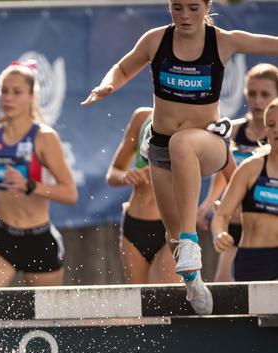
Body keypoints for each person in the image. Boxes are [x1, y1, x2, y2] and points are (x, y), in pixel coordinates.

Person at [81, 0, 278, 314]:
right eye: (178, 8)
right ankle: (192, 280)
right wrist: (107, 85)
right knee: (172, 234)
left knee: (183, 142)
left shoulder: (223, 41)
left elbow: (269, 44)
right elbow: (124, 67)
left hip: (208, 143)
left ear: (207, 6)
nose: (185, 15)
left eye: (193, 8)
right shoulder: (156, 40)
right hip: (160, 147)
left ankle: (190, 242)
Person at [0, 61, 78, 288]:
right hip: (2, 237)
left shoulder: (45, 138)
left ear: (31, 95)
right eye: (4, 91)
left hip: (39, 238)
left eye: (17, 92)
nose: (8, 98)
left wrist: (30, 186)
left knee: (46, 322)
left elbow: (70, 193)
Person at [197, 63, 278, 282]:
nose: (258, 101)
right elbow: (221, 173)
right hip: (237, 223)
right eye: (251, 94)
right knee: (226, 287)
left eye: (265, 94)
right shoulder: (235, 133)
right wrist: (209, 205)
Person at [106, 107, 181, 284]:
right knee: (137, 304)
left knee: (161, 305)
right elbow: (112, 173)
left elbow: (224, 168)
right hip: (134, 223)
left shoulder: (193, 121)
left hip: (171, 227)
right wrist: (126, 176)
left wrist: (208, 206)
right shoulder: (142, 117)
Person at [211, 99, 278, 281]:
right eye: (271, 125)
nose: (276, 130)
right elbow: (221, 215)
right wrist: (219, 234)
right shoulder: (251, 168)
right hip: (253, 259)